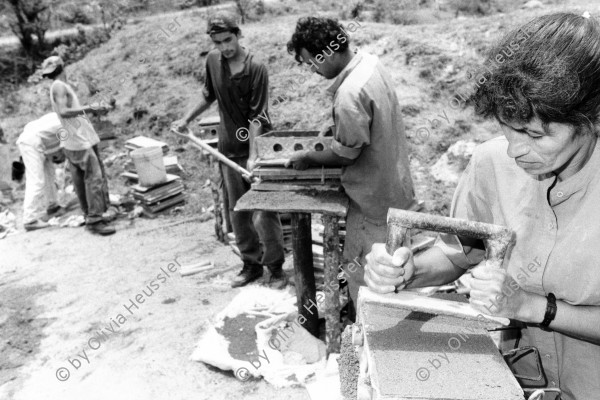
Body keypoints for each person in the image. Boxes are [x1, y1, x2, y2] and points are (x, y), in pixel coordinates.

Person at [364, 12, 600, 400]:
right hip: (518, 381)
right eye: (506, 126)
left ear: (592, 118)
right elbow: (460, 255)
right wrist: (408, 271)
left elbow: (524, 304)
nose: (515, 149)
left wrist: (534, 307)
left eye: (536, 134)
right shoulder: (492, 164)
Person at [285, 17, 417, 317]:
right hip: (395, 186)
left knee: (369, 276)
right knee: (396, 267)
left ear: (327, 54)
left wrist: (309, 158)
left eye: (311, 63)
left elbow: (346, 156)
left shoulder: (349, 94)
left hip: (374, 202)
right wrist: (334, 129)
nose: (313, 70)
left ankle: (374, 337)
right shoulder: (370, 64)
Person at [171, 12, 286, 289]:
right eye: (218, 42)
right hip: (228, 147)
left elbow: (258, 116)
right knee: (238, 209)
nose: (225, 47)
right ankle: (251, 265)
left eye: (228, 40)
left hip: (257, 147)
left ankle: (276, 267)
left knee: (263, 209)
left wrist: (253, 155)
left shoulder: (256, 67)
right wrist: (186, 119)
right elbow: (208, 94)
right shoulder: (213, 61)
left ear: (238, 34)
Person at [42, 56, 116, 236]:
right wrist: (91, 108)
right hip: (77, 140)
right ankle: (95, 220)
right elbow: (64, 112)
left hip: (73, 139)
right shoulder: (59, 86)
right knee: (94, 178)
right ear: (62, 66)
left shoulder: (58, 86)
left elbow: (70, 110)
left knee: (82, 180)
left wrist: (90, 108)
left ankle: (90, 216)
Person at [16, 112, 67, 231]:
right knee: (36, 181)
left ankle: (53, 207)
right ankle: (30, 220)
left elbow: (31, 126)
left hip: (39, 142)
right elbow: (65, 145)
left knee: (49, 176)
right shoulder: (70, 121)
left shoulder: (61, 113)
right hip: (31, 142)